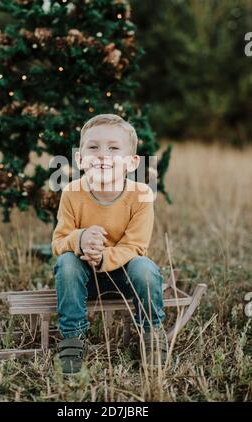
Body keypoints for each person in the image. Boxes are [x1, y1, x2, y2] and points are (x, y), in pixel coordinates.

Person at [52, 114, 167, 374]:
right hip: (84, 278)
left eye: (114, 148)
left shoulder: (140, 195)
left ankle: (151, 335)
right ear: (80, 159)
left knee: (145, 267)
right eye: (93, 147)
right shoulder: (71, 193)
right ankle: (73, 339)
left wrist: (104, 258)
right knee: (66, 262)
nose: (103, 155)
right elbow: (59, 243)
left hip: (124, 277)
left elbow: (136, 246)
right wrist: (80, 240)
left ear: (131, 162)